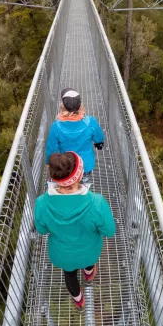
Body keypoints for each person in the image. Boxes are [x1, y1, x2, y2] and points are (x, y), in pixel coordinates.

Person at [34, 152, 116, 312]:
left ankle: (79, 302)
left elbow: (41, 229)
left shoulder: (41, 203)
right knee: (88, 261)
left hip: (62, 254)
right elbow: (109, 231)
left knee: (69, 274)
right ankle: (89, 274)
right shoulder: (97, 202)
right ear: (79, 177)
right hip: (89, 251)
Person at [45, 88, 104, 184]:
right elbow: (98, 136)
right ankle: (82, 193)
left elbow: (52, 147)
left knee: (69, 184)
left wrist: (49, 162)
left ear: (63, 106)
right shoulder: (91, 122)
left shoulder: (56, 126)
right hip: (85, 164)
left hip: (66, 165)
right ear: (80, 105)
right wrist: (99, 142)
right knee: (83, 183)